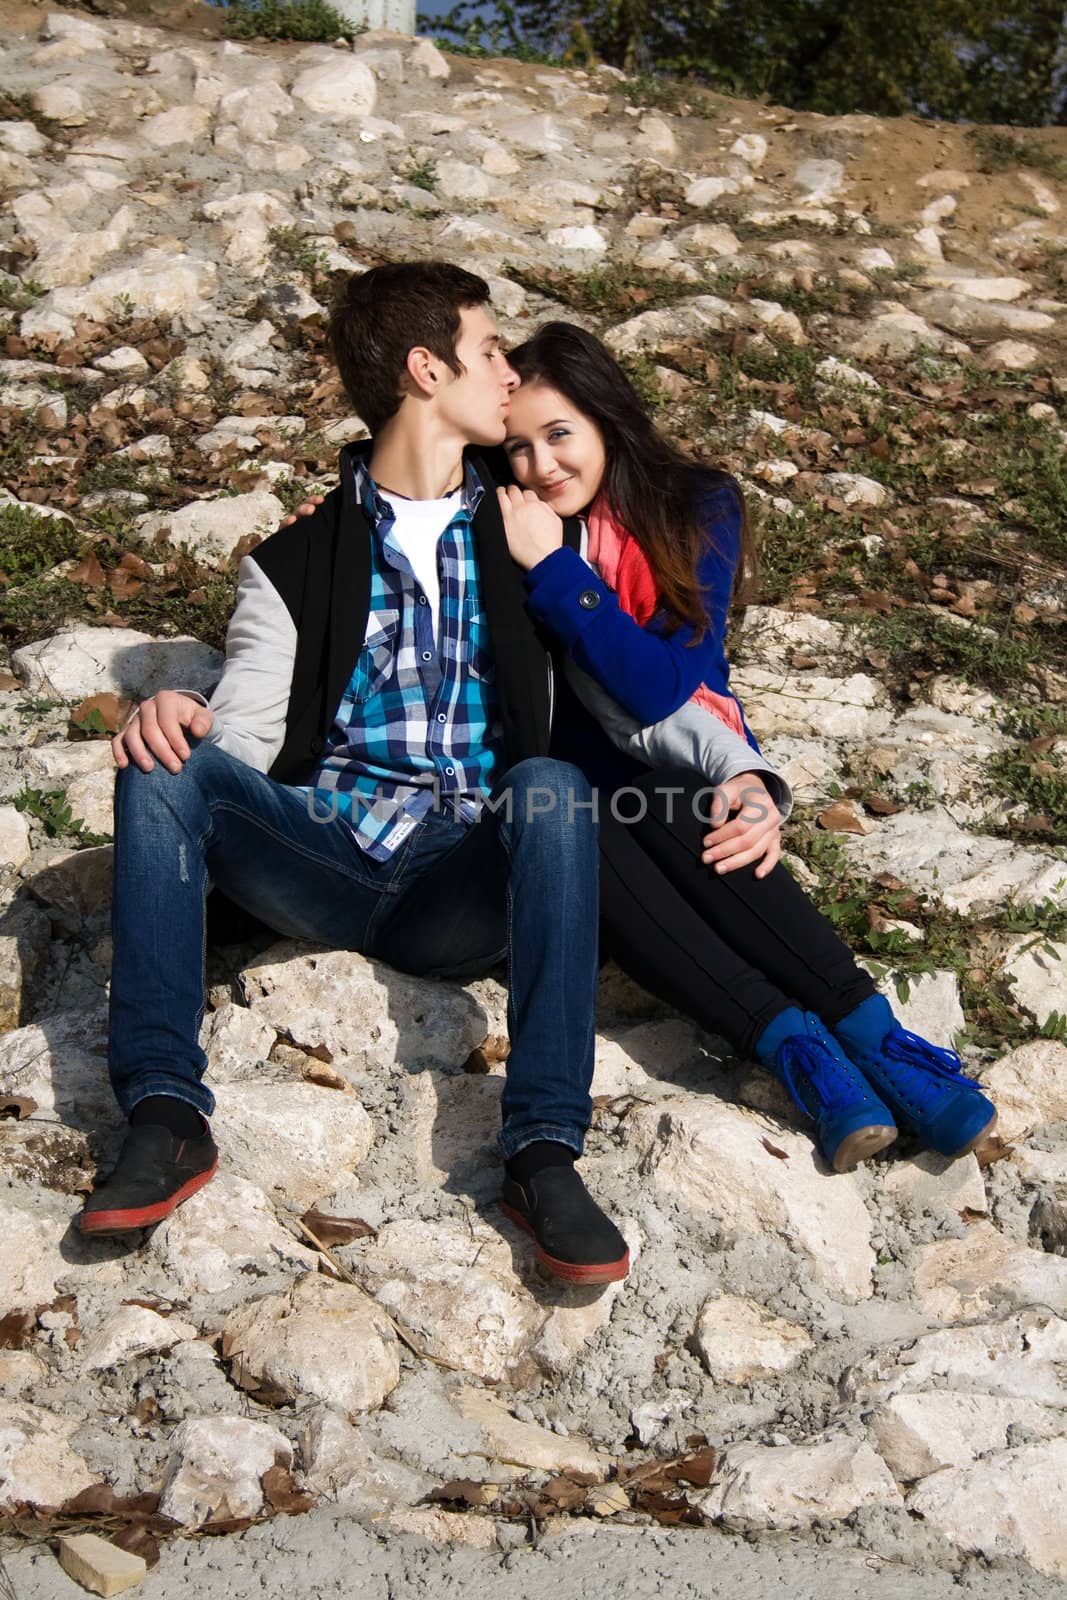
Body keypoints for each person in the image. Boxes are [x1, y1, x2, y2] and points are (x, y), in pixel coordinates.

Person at [78, 265, 631, 1289]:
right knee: (161, 766)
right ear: (426, 370)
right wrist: (173, 715)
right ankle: (164, 1112)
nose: (509, 372)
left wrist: (744, 770)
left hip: (458, 883)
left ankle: (543, 1151)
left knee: (549, 787)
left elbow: (633, 686)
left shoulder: (526, 535)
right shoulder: (288, 563)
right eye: (489, 350)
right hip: (324, 860)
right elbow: (241, 736)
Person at [492, 320, 997, 1174]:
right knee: (577, 815)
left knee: (705, 809)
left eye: (558, 434)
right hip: (564, 784)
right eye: (516, 447)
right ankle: (799, 1051)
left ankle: (882, 1043)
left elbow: (673, 683)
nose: (540, 467)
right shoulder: (512, 522)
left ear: (607, 418)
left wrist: (749, 773)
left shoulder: (697, 505)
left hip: (669, 757)